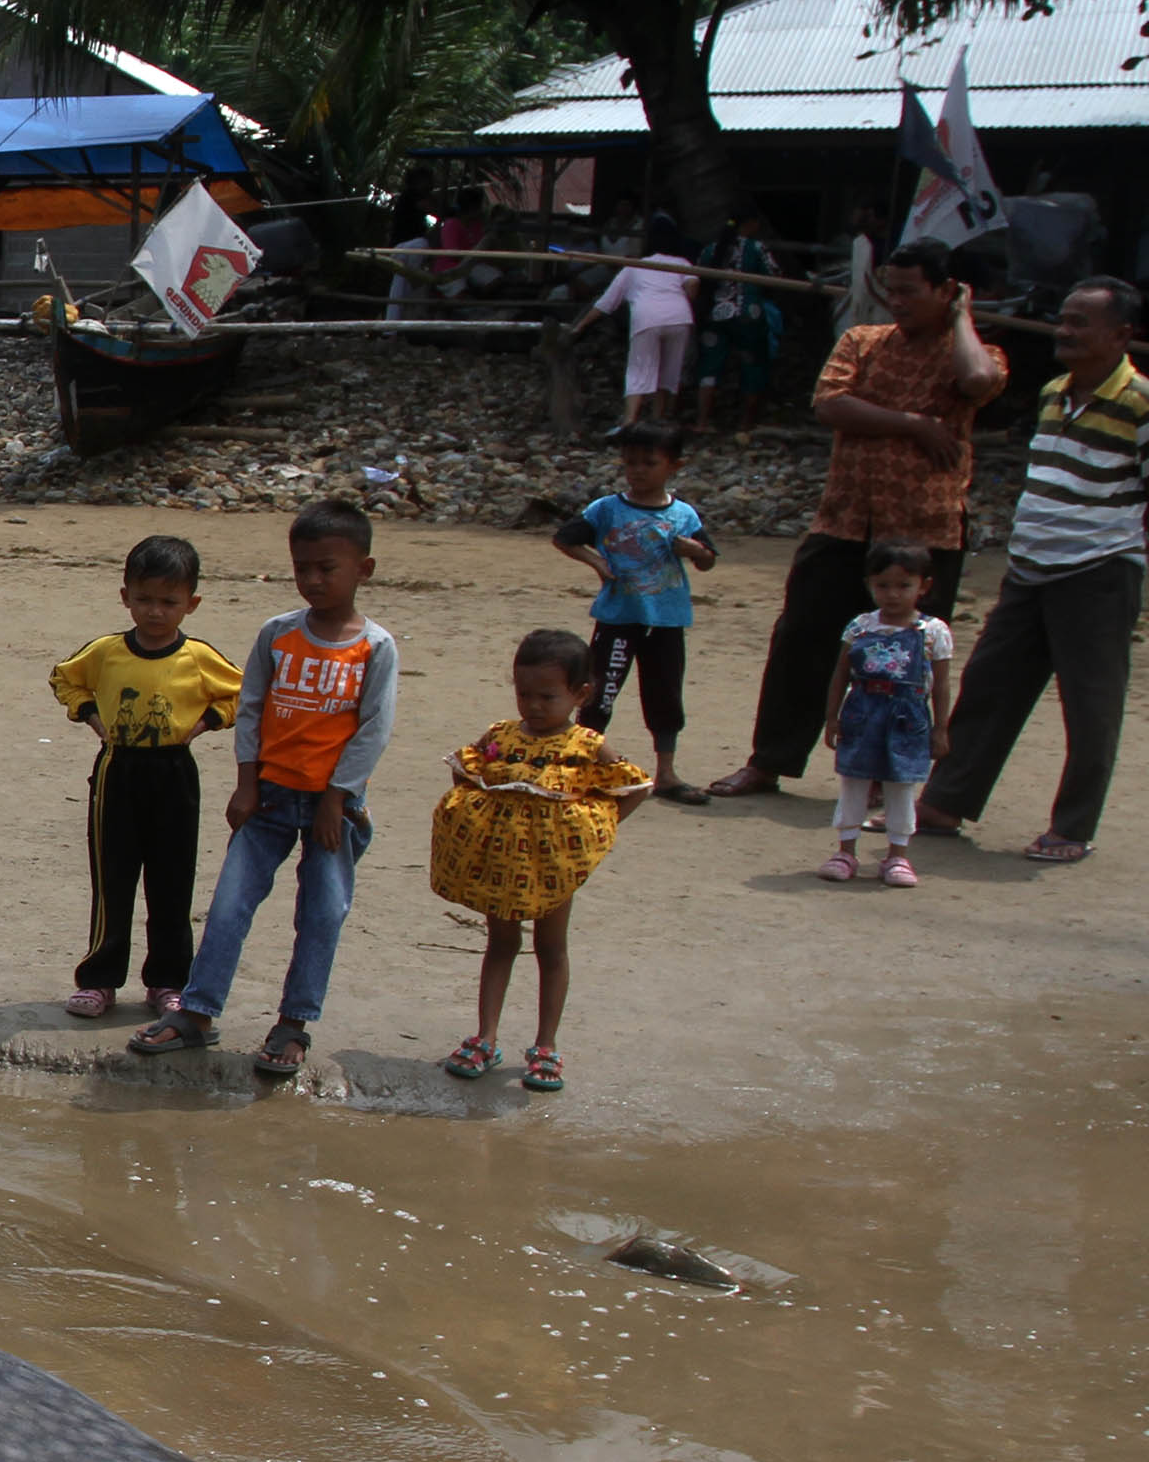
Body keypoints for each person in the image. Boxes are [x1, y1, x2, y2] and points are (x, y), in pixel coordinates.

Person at [703, 240, 1006, 798]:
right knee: (802, 641)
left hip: (924, 531)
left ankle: (884, 779)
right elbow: (831, 403)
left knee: (907, 660)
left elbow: (979, 382)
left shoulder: (968, 351)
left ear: (946, 291)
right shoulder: (862, 341)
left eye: (911, 291)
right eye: (890, 289)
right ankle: (769, 760)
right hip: (844, 519)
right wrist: (915, 423)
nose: (897, 301)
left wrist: (963, 316)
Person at [129, 499, 397, 1082]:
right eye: (303, 568)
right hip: (271, 796)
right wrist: (247, 782)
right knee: (229, 906)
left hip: (333, 806)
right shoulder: (278, 634)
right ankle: (197, 1013)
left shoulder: (374, 646)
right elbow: (251, 710)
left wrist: (336, 799)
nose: (314, 580)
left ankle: (293, 1023)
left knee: (322, 914)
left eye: (328, 568)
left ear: (363, 570)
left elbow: (373, 729)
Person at [922, 276, 1144, 860]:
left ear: (1122, 335)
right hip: (1029, 567)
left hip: (1099, 571)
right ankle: (945, 801)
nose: (1065, 332)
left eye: (1081, 323)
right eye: (1063, 319)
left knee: (1090, 704)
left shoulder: (1140, 402)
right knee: (990, 685)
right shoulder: (1054, 392)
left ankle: (1073, 827)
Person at [429, 631, 654, 1093]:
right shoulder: (501, 735)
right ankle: (486, 1037)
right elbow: (467, 769)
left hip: (554, 869)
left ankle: (545, 1045)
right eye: (524, 693)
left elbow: (634, 788)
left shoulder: (588, 745)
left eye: (547, 696)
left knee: (551, 951)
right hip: (501, 867)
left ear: (580, 694)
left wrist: (592, 833)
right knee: (500, 945)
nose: (533, 705)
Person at [48, 533, 241, 1022]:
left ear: (190, 603)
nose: (155, 612)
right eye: (144, 600)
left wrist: (202, 725)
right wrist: (90, 716)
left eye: (168, 602)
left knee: (172, 883)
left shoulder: (198, 658)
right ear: (125, 597)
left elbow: (241, 694)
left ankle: (169, 981)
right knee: (113, 880)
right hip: (117, 770)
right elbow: (64, 678)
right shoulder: (107, 652)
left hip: (174, 773)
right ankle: (98, 980)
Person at [555, 424, 718, 801]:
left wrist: (693, 550)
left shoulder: (683, 514)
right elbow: (565, 537)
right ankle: (584, 767)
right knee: (599, 693)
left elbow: (708, 560)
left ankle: (666, 773)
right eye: (630, 463)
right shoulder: (608, 509)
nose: (638, 470)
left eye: (649, 463)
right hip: (618, 618)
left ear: (674, 466)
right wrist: (598, 563)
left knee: (664, 694)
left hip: (665, 620)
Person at [819, 538, 956, 884]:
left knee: (900, 785)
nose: (893, 594)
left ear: (923, 586)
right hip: (862, 711)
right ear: (869, 585)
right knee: (854, 782)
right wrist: (832, 717)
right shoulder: (860, 626)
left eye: (903, 586)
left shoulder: (933, 632)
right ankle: (845, 852)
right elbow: (840, 673)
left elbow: (940, 684)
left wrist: (941, 728)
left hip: (907, 716)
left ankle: (898, 856)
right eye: (883, 585)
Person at [586, 213, 699, 428]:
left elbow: (605, 303)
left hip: (647, 317)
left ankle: (630, 420)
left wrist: (579, 327)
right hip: (679, 317)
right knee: (669, 370)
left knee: (639, 370)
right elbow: (692, 289)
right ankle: (658, 418)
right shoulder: (683, 264)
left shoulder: (635, 266)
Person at [692, 208, 785, 431]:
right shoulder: (756, 248)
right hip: (748, 315)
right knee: (753, 364)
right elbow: (774, 275)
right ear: (751, 223)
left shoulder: (711, 249)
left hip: (714, 315)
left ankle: (702, 421)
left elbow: (698, 277)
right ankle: (745, 423)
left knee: (709, 366)